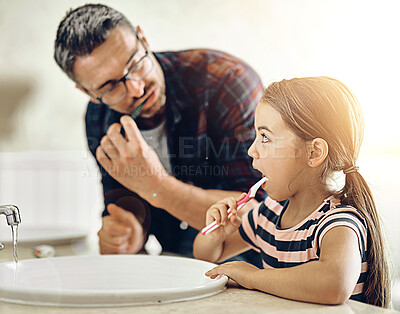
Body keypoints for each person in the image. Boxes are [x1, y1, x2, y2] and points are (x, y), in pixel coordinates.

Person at [54, 4, 265, 263]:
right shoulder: (99, 118)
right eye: (110, 86)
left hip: (255, 262)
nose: (136, 88)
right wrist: (130, 231)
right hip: (174, 261)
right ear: (88, 93)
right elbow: (124, 200)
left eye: (135, 63)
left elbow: (260, 214)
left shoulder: (227, 82)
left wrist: (157, 186)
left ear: (144, 39)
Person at [193, 77, 391, 307]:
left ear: (313, 153)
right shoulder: (268, 213)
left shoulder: (338, 222)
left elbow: (334, 284)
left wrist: (253, 276)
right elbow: (206, 256)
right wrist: (217, 235)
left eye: (265, 137)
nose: (252, 150)